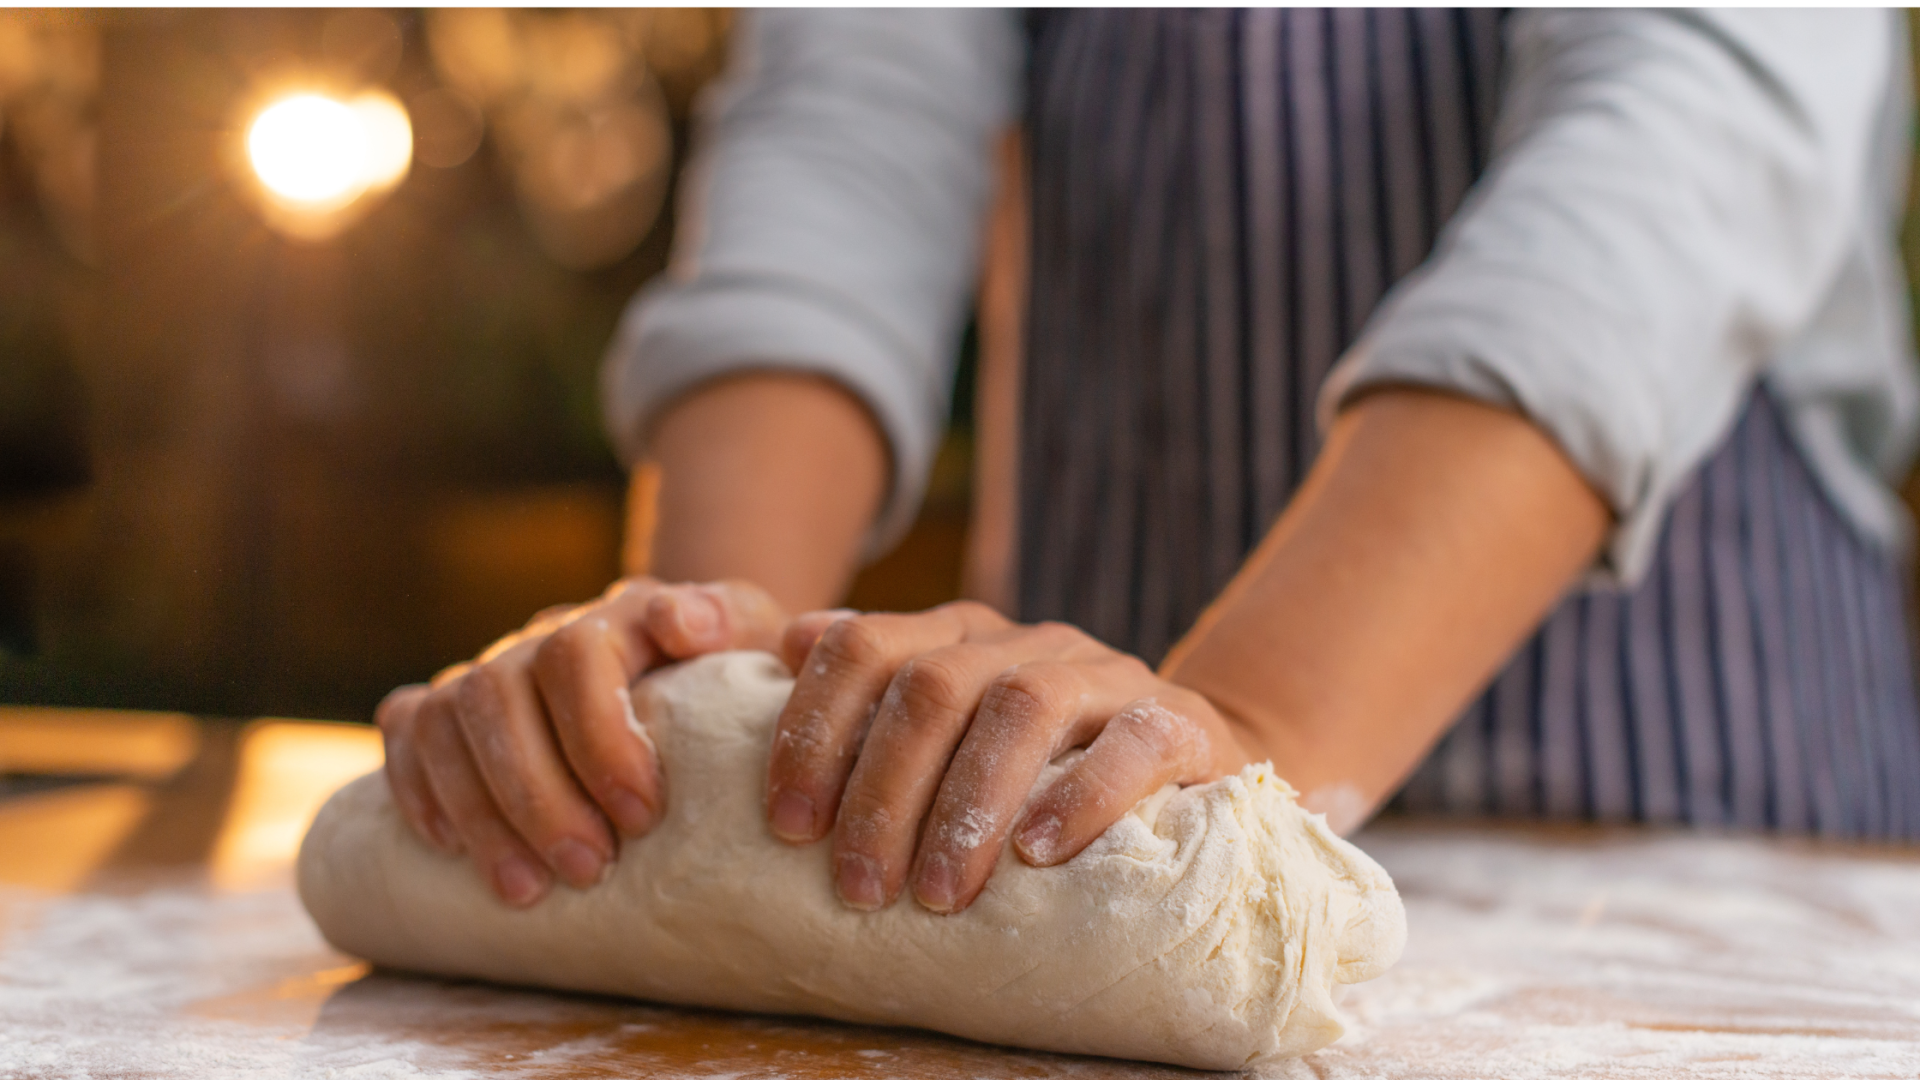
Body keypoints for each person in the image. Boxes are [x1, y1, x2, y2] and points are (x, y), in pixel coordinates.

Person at [375, 9, 1920, 912]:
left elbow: (1669, 159)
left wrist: (1257, 718)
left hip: (1693, 829)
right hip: (1070, 834)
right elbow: (850, 133)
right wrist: (694, 680)